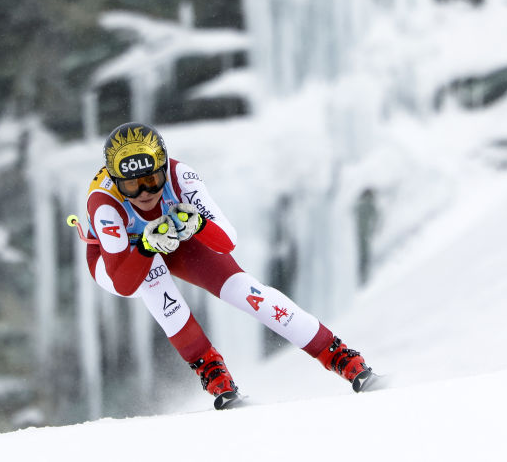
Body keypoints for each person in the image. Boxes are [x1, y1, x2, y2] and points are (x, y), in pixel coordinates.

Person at [79, 121, 375, 409]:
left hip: (176, 237)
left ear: (164, 169)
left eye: (152, 181)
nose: (144, 193)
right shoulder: (104, 203)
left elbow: (226, 240)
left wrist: (197, 223)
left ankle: (340, 356)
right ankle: (213, 373)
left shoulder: (180, 176)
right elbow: (123, 281)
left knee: (245, 290)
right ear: (116, 182)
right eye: (132, 186)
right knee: (154, 282)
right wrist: (145, 247)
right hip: (123, 259)